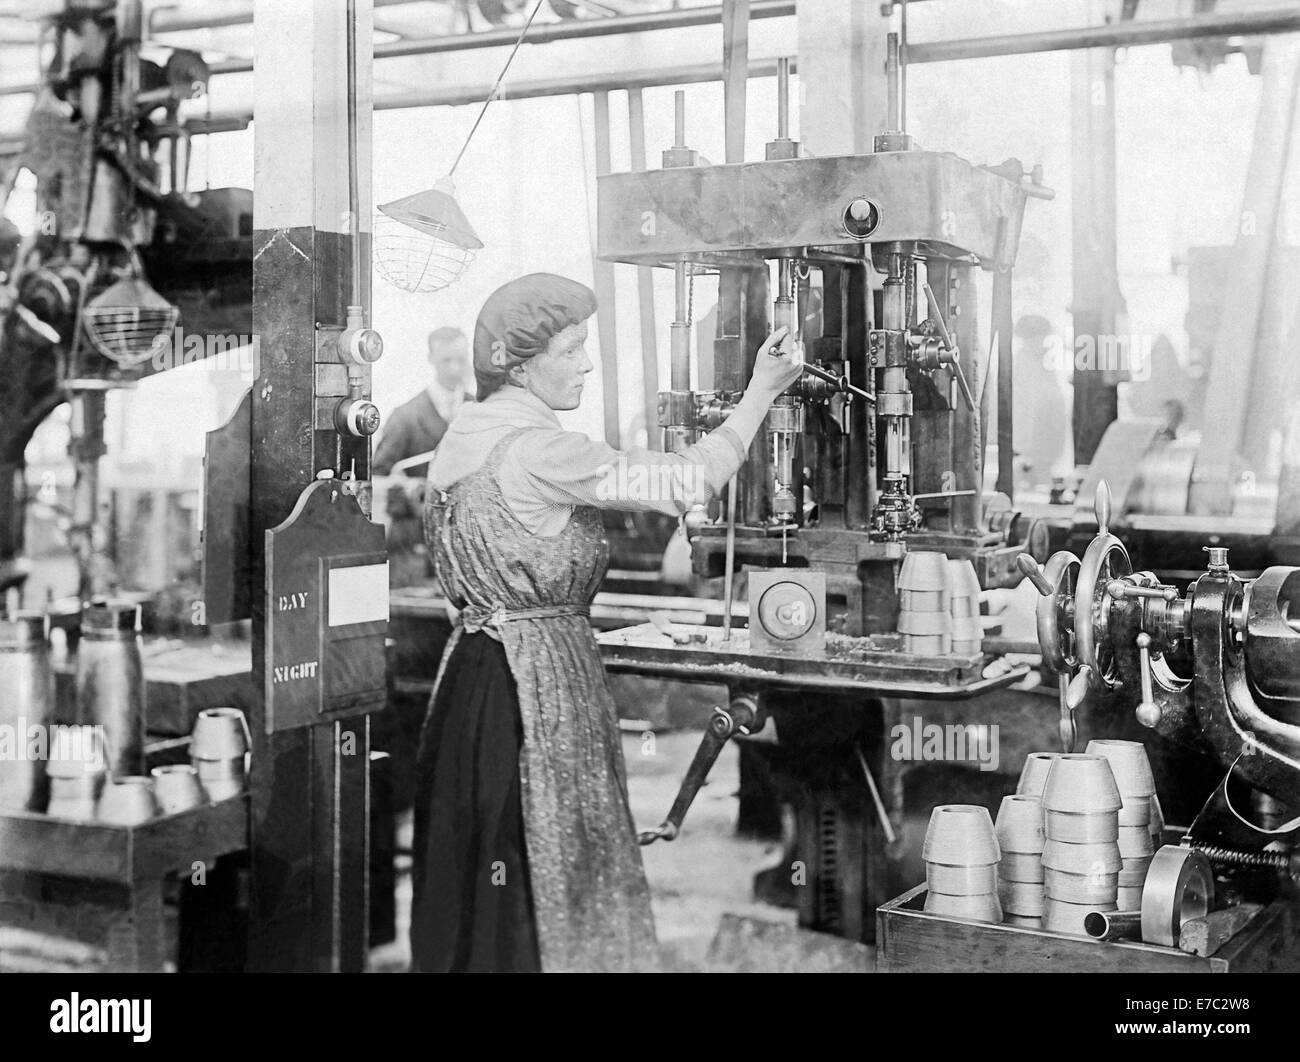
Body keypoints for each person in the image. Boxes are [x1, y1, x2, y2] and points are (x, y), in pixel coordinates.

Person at [410, 273, 801, 973]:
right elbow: (684, 481)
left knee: (486, 885)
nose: (587, 364)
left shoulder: (461, 437)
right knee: (552, 873)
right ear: (519, 363)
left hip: (472, 682)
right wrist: (761, 394)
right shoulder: (539, 451)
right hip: (535, 692)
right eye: (572, 349)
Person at [372, 326, 474, 478]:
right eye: (446, 360)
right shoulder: (404, 418)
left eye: (461, 359)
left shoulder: (480, 409)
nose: (455, 368)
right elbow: (378, 477)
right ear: (431, 358)